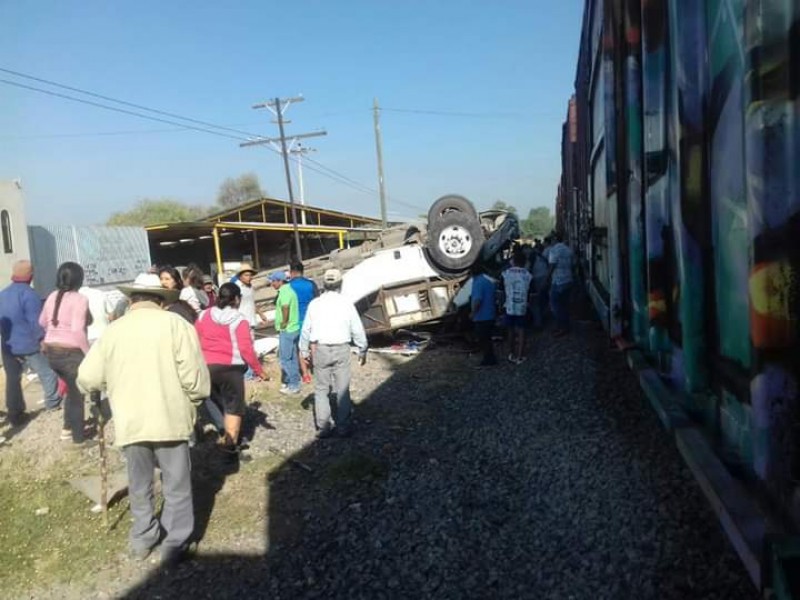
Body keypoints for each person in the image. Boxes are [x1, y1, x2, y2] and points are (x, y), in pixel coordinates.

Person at [77, 273, 210, 567]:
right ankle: (175, 543)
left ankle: (142, 538)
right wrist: (196, 401)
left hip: (131, 421)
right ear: (161, 300)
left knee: (139, 483)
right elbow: (195, 379)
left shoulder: (113, 331)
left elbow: (87, 377)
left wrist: (97, 392)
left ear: (130, 300)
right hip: (170, 417)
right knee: (176, 483)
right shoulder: (177, 325)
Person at [195, 283, 267, 453]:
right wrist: (259, 370)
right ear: (236, 299)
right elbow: (245, 349)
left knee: (215, 400)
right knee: (233, 407)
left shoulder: (203, 315)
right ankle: (230, 445)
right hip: (231, 369)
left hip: (208, 367)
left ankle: (223, 429)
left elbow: (195, 339)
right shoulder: (239, 320)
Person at [299, 269, 367, 438]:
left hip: (321, 349)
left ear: (324, 285)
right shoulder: (346, 303)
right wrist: (362, 348)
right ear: (340, 284)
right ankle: (343, 426)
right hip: (341, 348)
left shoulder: (315, 304)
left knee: (321, 389)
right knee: (342, 388)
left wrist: (304, 349)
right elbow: (357, 328)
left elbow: (306, 329)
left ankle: (323, 427)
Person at [0, 260, 61, 425]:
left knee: (13, 379)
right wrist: (42, 340)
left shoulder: (2, 294)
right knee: (47, 373)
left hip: (8, 346)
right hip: (29, 344)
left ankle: (15, 414)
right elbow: (36, 322)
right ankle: (52, 405)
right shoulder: (30, 294)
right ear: (30, 276)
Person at [40, 262, 92, 446]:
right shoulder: (80, 299)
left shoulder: (52, 296)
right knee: (77, 396)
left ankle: (67, 429)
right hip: (70, 353)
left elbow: (42, 321)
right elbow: (78, 330)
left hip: (52, 352)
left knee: (71, 391)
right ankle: (78, 439)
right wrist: (88, 353)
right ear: (79, 278)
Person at [270, 271, 301, 395]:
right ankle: (294, 380)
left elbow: (285, 308)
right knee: (292, 357)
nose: (272, 284)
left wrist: (283, 323)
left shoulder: (285, 292)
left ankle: (293, 384)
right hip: (293, 328)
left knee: (285, 359)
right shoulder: (289, 290)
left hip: (287, 329)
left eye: (273, 281)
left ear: (279, 281)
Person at [288, 262, 318, 385]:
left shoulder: (288, 286)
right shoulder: (311, 284)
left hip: (296, 321)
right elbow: (317, 301)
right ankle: (317, 370)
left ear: (292, 272)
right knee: (313, 345)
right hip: (312, 319)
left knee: (301, 347)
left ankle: (305, 374)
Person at [502, 252, 533, 364]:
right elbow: (531, 291)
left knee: (510, 331)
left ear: (513, 261)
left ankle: (511, 354)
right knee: (521, 331)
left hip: (509, 306)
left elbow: (502, 288)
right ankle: (520, 356)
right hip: (522, 307)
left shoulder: (506, 273)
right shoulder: (528, 275)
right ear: (524, 262)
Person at [470, 265, 498, 367]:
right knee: (488, 339)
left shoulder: (477, 283)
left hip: (482, 316)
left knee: (484, 340)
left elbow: (477, 300)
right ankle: (491, 358)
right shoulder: (489, 281)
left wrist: (473, 313)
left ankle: (488, 360)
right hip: (491, 313)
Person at [547, 233, 575, 336]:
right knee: (565, 305)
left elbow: (551, 266)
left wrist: (546, 280)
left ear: (554, 239)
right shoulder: (568, 250)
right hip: (568, 279)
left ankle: (561, 328)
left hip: (558, 281)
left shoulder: (553, 250)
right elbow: (573, 264)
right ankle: (566, 326)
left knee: (555, 306)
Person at [234, 263, 264, 328]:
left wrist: (261, 314)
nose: (249, 278)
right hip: (241, 322)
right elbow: (233, 306)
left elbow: (251, 302)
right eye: (246, 275)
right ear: (240, 276)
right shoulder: (236, 287)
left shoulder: (250, 286)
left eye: (250, 275)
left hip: (251, 321)